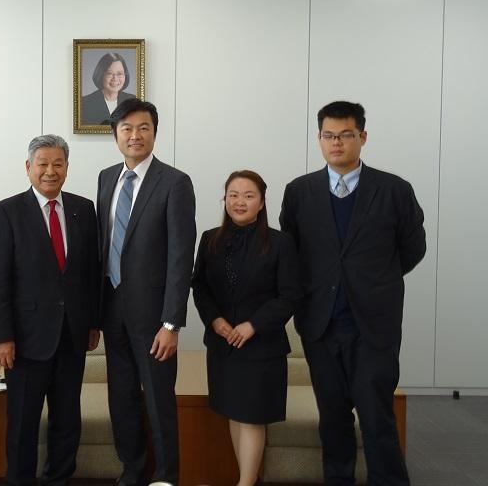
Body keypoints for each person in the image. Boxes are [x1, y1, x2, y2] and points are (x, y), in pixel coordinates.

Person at [280, 101, 426, 486]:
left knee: (377, 415)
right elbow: (291, 254)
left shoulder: (394, 190)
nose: (337, 143)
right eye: (329, 136)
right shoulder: (299, 192)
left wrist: (374, 281)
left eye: (346, 135)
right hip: (321, 324)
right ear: (319, 139)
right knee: (333, 417)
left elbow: (413, 249)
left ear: (363, 137)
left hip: (373, 326)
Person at [0, 134, 101, 486]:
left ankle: (59, 480)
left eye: (58, 164)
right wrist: (2, 336)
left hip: (72, 335)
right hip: (25, 338)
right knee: (22, 422)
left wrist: (93, 322)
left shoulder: (84, 209)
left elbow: (92, 271)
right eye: (43, 164)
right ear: (28, 168)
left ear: (67, 168)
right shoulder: (7, 211)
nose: (50, 171)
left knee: (67, 420)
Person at [96, 98, 196, 486]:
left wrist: (172, 322)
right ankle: (132, 471)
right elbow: (103, 247)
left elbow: (180, 257)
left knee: (158, 401)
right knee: (121, 399)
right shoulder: (107, 177)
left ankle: (166, 477)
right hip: (112, 309)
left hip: (155, 317)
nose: (135, 135)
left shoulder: (174, 182)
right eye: (127, 129)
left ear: (155, 132)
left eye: (143, 128)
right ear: (116, 135)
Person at [192, 170, 301, 486]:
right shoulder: (210, 239)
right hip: (223, 345)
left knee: (252, 416)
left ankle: (245, 482)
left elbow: (290, 295)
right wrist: (215, 320)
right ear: (224, 199)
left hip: (261, 347)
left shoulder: (281, 243)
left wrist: (253, 325)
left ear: (262, 202)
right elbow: (199, 286)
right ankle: (248, 479)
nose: (239, 202)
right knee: (233, 412)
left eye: (248, 195)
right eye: (233, 195)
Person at [81, 52, 137, 126]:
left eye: (119, 73)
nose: (115, 78)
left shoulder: (133, 101)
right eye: (109, 73)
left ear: (125, 75)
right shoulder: (85, 103)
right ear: (101, 75)